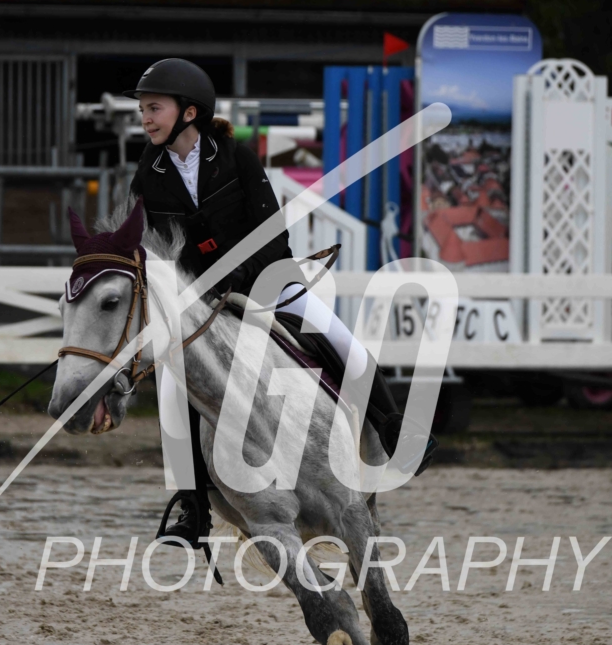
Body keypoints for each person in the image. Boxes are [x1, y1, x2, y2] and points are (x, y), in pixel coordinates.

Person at [126, 59, 435, 546]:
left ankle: (394, 430)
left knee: (344, 344)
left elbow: (273, 234)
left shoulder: (237, 158)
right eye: (143, 109)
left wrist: (241, 275)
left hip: (266, 279)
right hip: (202, 302)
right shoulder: (149, 173)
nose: (145, 118)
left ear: (189, 112)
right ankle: (193, 506)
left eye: (154, 108)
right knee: (172, 390)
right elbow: (153, 249)